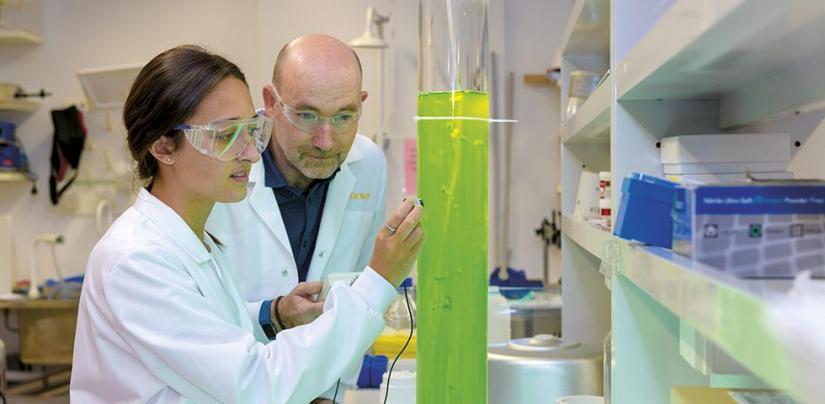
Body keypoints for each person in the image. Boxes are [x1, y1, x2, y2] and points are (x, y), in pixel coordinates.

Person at [70, 45, 424, 404]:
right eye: (225, 135)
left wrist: (274, 316)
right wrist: (378, 281)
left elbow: (218, 343)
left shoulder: (197, 244)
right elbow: (256, 383)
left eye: (251, 130)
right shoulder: (137, 260)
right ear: (163, 148)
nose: (252, 153)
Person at [206, 34, 391, 396]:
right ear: (271, 103)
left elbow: (357, 295)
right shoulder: (220, 168)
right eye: (307, 115)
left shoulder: (368, 164)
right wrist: (273, 314)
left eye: (343, 116)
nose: (325, 140)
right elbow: (198, 319)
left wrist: (326, 391)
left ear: (361, 104)